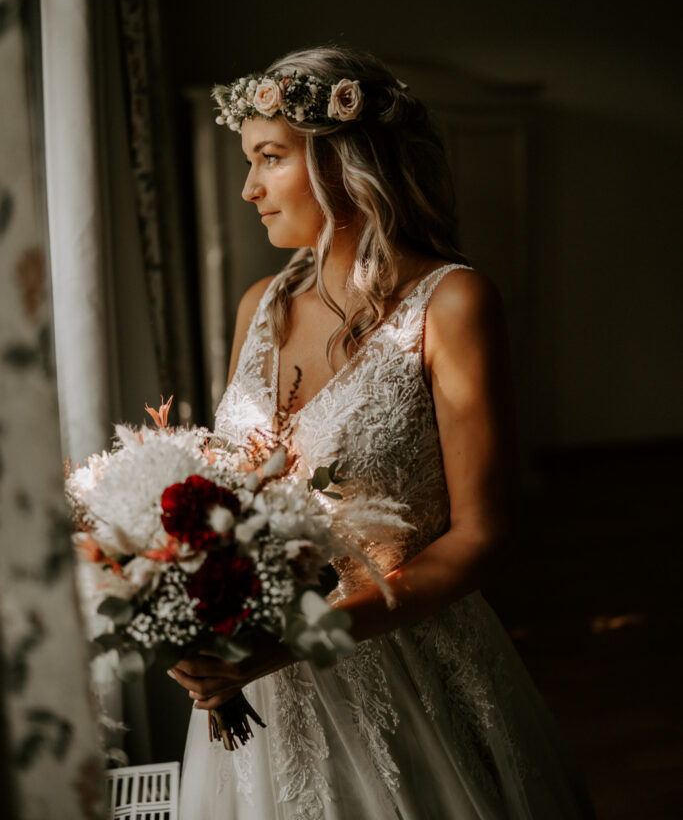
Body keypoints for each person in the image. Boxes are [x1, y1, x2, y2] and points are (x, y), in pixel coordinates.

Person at [171, 46, 595, 818]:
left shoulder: (452, 303)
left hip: (410, 675)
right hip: (258, 692)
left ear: (342, 164)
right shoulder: (258, 305)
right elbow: (228, 494)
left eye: (269, 159)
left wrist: (303, 637)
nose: (248, 188)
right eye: (249, 161)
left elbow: (480, 537)